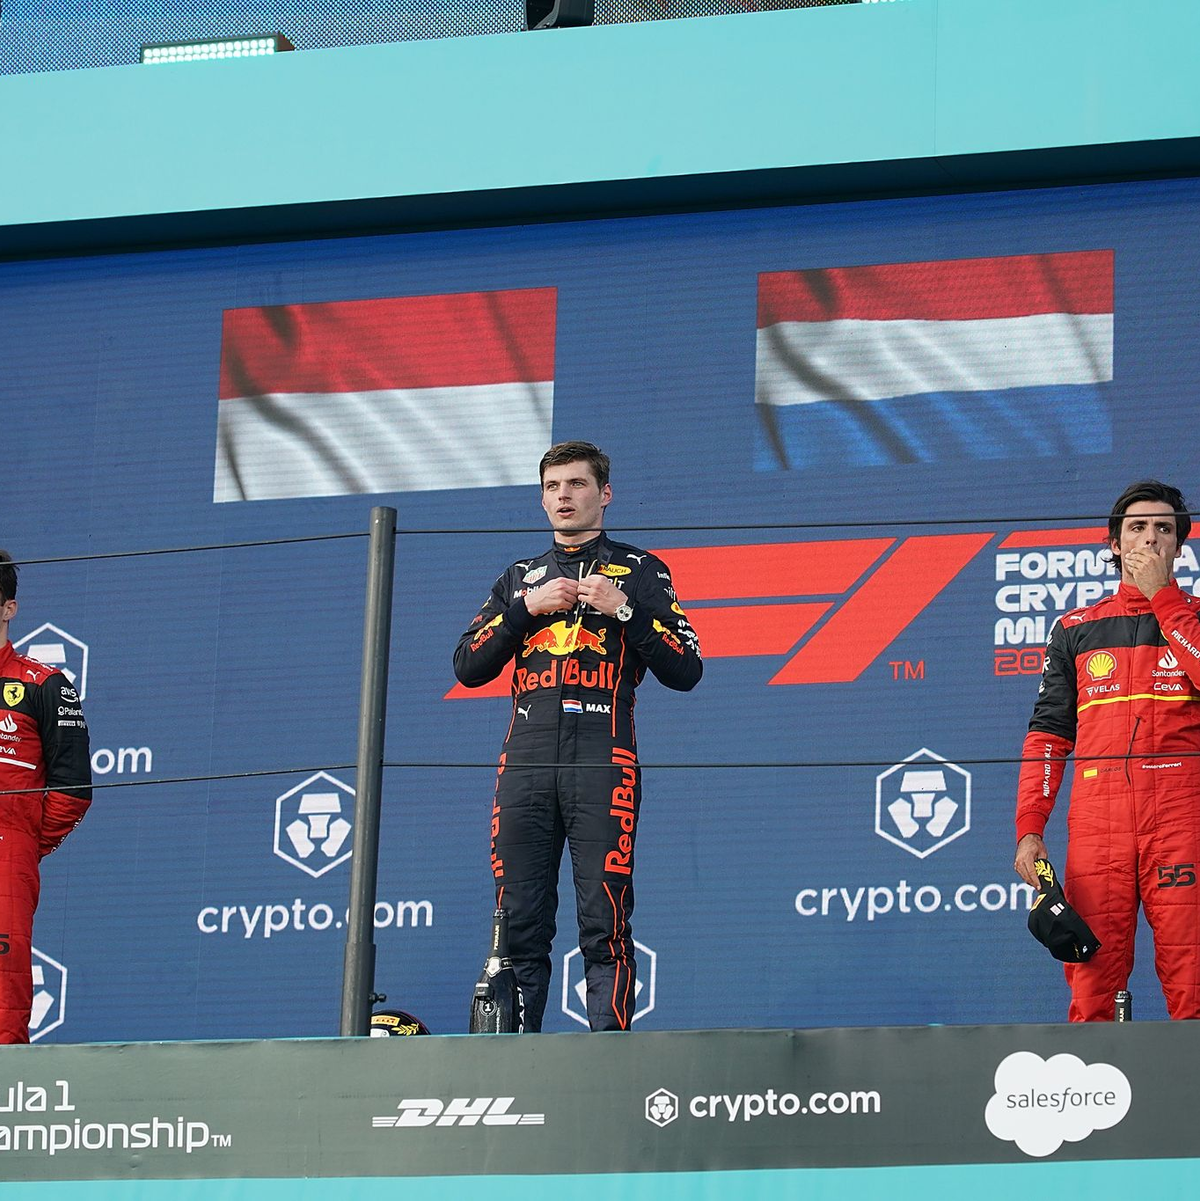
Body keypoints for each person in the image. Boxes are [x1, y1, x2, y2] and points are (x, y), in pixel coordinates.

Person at [454, 442, 702, 1031]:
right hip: (525, 763)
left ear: (604, 493)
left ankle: (608, 1058)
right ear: (542, 499)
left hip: (603, 758)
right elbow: (467, 666)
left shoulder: (641, 571)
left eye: (577, 484)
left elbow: (687, 669)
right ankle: (514, 1063)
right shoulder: (520, 578)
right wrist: (525, 609)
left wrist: (625, 611)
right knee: (518, 923)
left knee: (604, 922)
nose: (563, 496)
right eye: (553, 487)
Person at [1014, 481, 1200, 1020]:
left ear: (1179, 546)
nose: (1151, 538)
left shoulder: (1194, 616)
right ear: (1115, 544)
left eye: (1164, 528)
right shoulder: (1075, 628)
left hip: (1182, 818)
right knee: (1092, 986)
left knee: (1193, 979)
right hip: (1099, 824)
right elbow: (1048, 735)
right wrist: (1030, 828)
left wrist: (1164, 599)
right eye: (1137, 527)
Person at [0, 551, 92, 1043]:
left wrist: (23, 840)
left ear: (8, 608)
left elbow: (73, 790)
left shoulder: (44, 684)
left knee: (3, 980)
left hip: (7, 848)